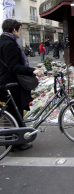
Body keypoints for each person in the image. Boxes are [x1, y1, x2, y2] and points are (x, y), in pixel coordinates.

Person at [0, 19, 44, 150]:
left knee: (11, 113)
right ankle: (14, 144)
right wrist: (33, 70)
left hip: (4, 81)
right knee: (14, 112)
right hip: (11, 83)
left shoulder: (3, 41)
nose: (20, 32)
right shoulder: (9, 44)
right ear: (14, 30)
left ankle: (13, 142)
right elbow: (14, 66)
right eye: (20, 29)